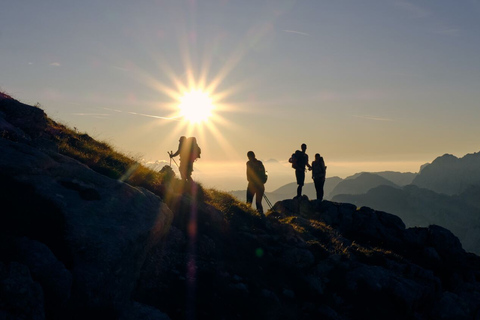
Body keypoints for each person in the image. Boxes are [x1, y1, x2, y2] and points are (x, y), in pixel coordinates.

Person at [246, 151, 266, 216]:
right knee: (258, 203)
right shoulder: (259, 163)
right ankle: (261, 216)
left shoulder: (248, 164)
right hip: (260, 186)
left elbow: (248, 175)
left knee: (249, 202)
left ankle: (248, 215)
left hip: (252, 185)